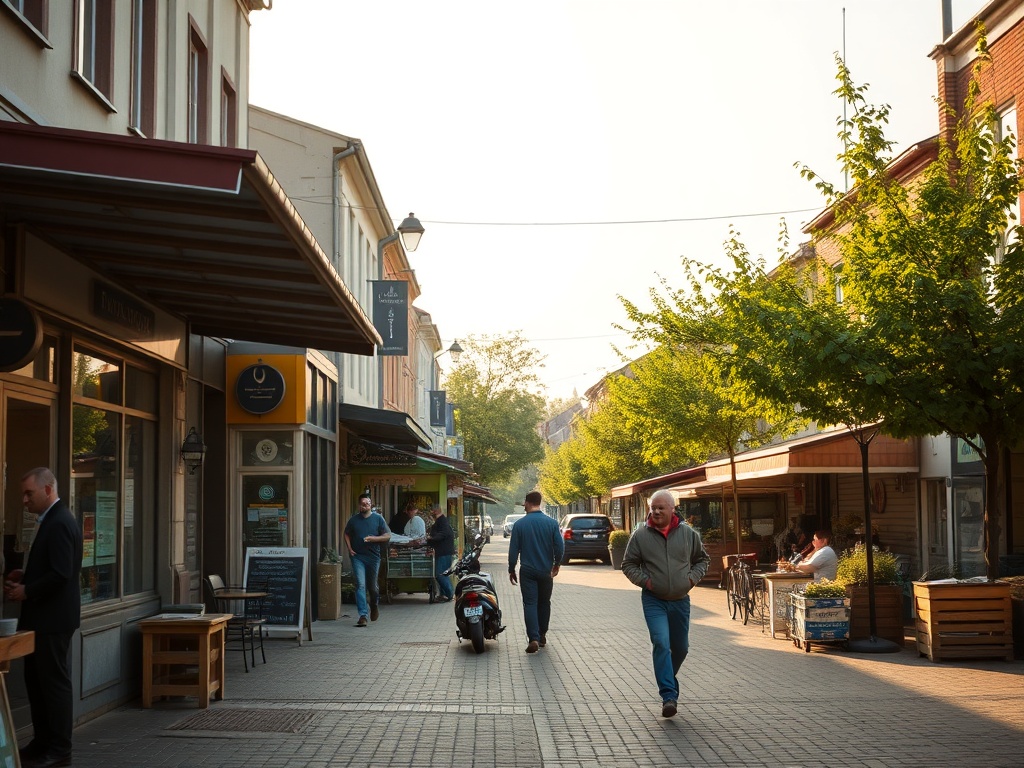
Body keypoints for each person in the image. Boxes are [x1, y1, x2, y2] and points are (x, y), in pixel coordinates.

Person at [4, 468, 83, 768]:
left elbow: (62, 574)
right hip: (43, 619)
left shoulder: (60, 521)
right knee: (36, 683)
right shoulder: (52, 520)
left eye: (29, 493)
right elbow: (54, 568)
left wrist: (27, 590)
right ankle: (42, 742)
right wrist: (27, 576)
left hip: (53, 620)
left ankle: (60, 749)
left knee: (53, 685)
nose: (24, 500)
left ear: (48, 490)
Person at [621, 489, 710, 719]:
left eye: (662, 507)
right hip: (654, 600)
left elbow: (702, 560)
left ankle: (668, 680)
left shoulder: (689, 534)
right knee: (661, 642)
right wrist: (646, 582)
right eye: (654, 508)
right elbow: (628, 564)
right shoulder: (640, 536)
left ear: (673, 509)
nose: (657, 511)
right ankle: (668, 696)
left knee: (681, 648)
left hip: (680, 601)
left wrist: (691, 579)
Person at [507, 491, 563, 654]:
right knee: (544, 602)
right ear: (539, 502)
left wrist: (511, 569)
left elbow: (513, 551)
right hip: (546, 571)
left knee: (530, 603)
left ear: (527, 503)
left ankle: (533, 638)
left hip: (528, 571)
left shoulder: (520, 525)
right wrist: (556, 564)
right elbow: (559, 547)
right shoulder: (552, 524)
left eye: (524, 502)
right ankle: (543, 635)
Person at [343, 492, 391, 627]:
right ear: (359, 506)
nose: (366, 506)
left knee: (373, 587)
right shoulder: (354, 520)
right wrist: (349, 548)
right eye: (363, 504)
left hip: (373, 557)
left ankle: (374, 605)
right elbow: (346, 533)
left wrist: (373, 539)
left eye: (368, 503)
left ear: (371, 504)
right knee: (360, 584)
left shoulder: (378, 519)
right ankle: (362, 615)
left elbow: (387, 535)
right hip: (357, 556)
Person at [425, 504, 455, 602]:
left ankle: (449, 594)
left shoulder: (442, 521)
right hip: (442, 551)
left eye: (432, 511)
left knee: (440, 574)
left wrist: (432, 538)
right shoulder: (441, 521)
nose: (431, 514)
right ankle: (443, 594)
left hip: (444, 552)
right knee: (441, 573)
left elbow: (443, 534)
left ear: (436, 511)